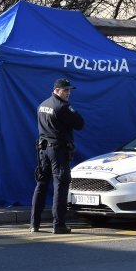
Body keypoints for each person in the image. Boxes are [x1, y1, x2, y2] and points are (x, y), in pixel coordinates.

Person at [31, 78, 85, 234]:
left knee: (41, 185)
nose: (68, 93)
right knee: (60, 186)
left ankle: (34, 223)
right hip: (58, 151)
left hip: (43, 150)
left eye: (69, 90)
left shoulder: (43, 105)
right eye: (65, 90)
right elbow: (80, 123)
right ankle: (59, 224)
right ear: (56, 90)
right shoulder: (62, 107)